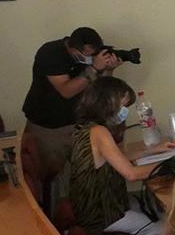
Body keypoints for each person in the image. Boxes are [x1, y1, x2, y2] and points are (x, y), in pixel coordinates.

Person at [68, 77, 174, 235]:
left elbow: (117, 156)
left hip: (94, 203)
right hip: (102, 210)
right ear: (107, 102)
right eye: (123, 105)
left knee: (153, 216)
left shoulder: (85, 127)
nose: (124, 111)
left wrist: (152, 151)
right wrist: (172, 165)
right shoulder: (99, 132)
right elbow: (131, 173)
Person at [23, 26, 123, 175]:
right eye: (88, 54)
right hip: (49, 126)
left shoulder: (93, 57)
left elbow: (99, 88)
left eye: (94, 54)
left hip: (78, 124)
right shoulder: (51, 53)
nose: (91, 57)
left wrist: (109, 69)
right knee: (51, 174)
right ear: (74, 48)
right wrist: (94, 68)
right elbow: (66, 91)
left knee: (84, 173)